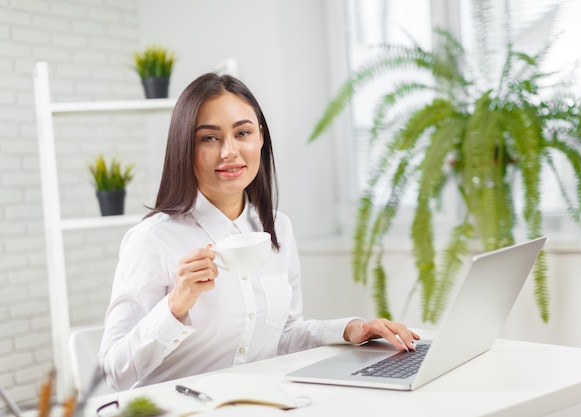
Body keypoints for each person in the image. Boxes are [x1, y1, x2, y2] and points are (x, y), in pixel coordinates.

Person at [98, 72, 420, 391]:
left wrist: (353, 330)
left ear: (261, 138)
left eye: (242, 133)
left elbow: (283, 334)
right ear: (186, 147)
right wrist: (175, 306)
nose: (229, 152)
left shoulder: (278, 228)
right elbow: (114, 371)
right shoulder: (153, 240)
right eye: (209, 138)